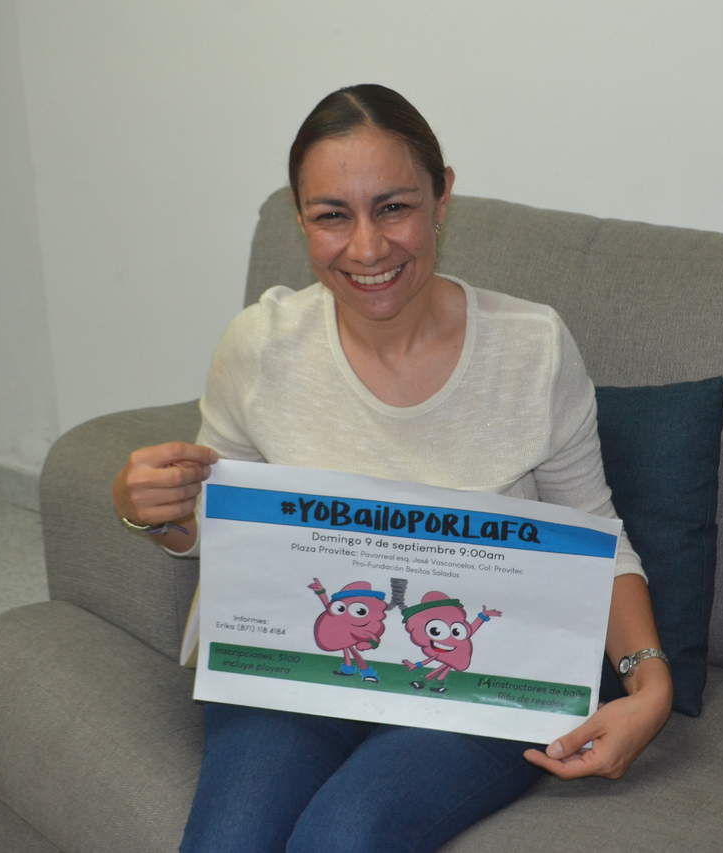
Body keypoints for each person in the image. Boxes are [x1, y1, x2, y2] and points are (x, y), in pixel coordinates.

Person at [111, 83, 673, 852]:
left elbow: (596, 536)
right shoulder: (260, 344)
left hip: (474, 678)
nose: (368, 248)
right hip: (294, 668)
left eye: (394, 207)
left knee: (343, 837)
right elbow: (223, 527)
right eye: (332, 215)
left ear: (442, 198)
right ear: (301, 220)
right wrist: (154, 509)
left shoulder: (533, 347)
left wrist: (651, 684)